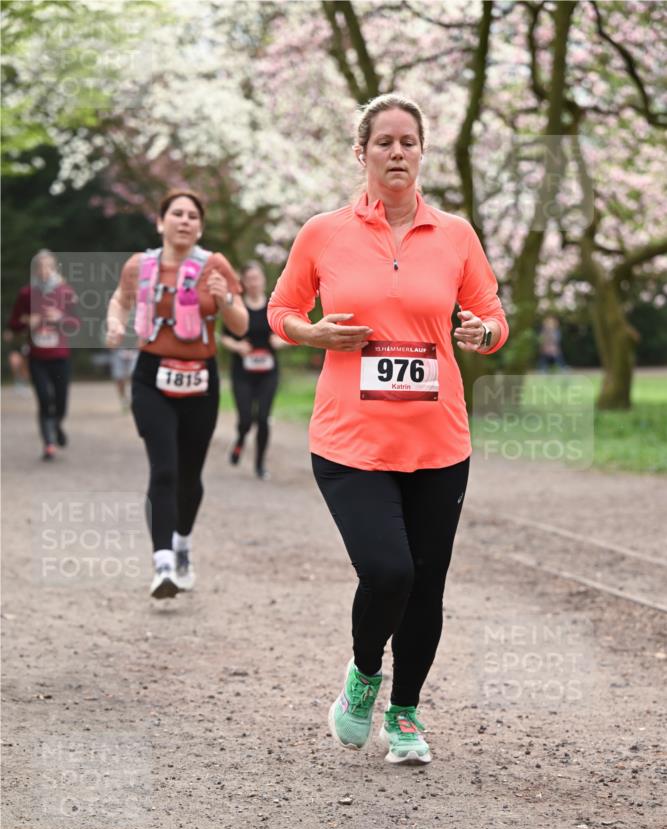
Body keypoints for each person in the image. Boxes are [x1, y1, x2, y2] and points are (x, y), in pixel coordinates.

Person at [268, 94, 509, 766]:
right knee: (387, 569)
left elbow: (491, 316)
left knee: (426, 583)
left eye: (408, 142)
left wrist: (483, 333)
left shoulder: (456, 235)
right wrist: (310, 331)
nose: (396, 153)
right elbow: (281, 307)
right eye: (383, 143)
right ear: (362, 152)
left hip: (438, 440)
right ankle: (363, 675)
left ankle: (403, 715)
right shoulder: (324, 232)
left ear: (421, 151)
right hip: (350, 439)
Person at [106, 189, 248, 599]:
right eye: (176, 213)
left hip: (200, 379)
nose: (184, 220)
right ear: (160, 221)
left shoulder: (215, 265)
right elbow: (120, 300)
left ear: (199, 227)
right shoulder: (140, 265)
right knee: (163, 468)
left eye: (192, 216)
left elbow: (239, 325)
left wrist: (225, 301)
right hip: (152, 377)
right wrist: (116, 323)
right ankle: (163, 561)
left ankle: (183, 543)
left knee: (190, 475)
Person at [6, 250, 78, 459]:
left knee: (61, 402)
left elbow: (76, 324)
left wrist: (60, 318)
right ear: (35, 269)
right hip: (37, 358)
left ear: (55, 268)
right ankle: (48, 444)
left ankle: (57, 425)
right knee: (44, 400)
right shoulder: (26, 293)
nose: (44, 271)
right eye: (40, 267)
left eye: (49, 266)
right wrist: (29, 321)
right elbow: (13, 323)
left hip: (60, 356)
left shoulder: (65, 292)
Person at [221, 261, 286, 480]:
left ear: (263, 280)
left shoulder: (273, 306)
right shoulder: (237, 307)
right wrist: (237, 346)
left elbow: (290, 331)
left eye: (257, 278)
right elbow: (224, 337)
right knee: (246, 419)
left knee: (264, 417)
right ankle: (240, 439)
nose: (254, 283)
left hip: (268, 372)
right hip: (243, 373)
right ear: (244, 283)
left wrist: (280, 340)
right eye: (249, 279)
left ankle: (260, 464)